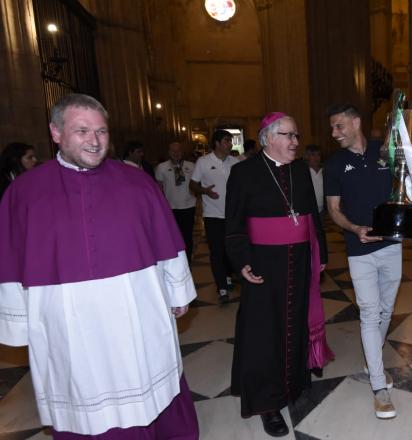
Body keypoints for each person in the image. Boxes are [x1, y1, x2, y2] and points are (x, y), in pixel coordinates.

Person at [0, 93, 198, 438]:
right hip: (66, 320)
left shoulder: (138, 183)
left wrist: (177, 291)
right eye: (82, 131)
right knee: (80, 384)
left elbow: (167, 243)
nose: (94, 141)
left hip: (135, 310)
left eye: (101, 131)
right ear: (56, 133)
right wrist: (18, 322)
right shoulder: (24, 193)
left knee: (142, 380)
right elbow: (10, 260)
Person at [324, 103, 412, 420]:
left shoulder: (385, 150)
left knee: (386, 310)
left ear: (356, 122)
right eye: (332, 127)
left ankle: (371, 358)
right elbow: (333, 210)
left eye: (339, 126)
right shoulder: (335, 165)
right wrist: (355, 228)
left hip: (392, 245)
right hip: (359, 249)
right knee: (370, 313)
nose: (334, 133)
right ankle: (378, 386)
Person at [225, 112, 329, 437]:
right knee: (264, 332)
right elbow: (233, 227)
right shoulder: (243, 173)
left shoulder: (300, 170)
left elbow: (312, 215)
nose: (296, 142)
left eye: (296, 136)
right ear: (269, 137)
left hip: (298, 263)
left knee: (294, 323)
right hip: (263, 266)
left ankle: (294, 385)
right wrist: (243, 261)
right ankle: (267, 404)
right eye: (289, 136)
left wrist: (321, 255)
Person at [190, 129, 239, 303]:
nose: (230, 144)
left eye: (230, 141)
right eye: (227, 141)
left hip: (233, 215)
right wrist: (204, 191)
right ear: (217, 143)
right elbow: (193, 184)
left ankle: (228, 276)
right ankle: (222, 289)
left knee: (232, 250)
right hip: (212, 216)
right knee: (217, 252)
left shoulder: (235, 162)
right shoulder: (203, 162)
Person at [156, 141, 197, 261]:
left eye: (178, 151)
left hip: (189, 206)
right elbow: (159, 187)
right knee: (173, 236)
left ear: (182, 152)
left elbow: (196, 183)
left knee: (187, 236)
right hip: (170, 207)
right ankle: (176, 259)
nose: (176, 153)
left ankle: (187, 259)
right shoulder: (162, 167)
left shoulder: (191, 166)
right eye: (173, 151)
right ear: (169, 152)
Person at [304, 144, 324, 213]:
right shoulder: (303, 172)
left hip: (322, 210)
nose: (316, 158)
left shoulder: (325, 172)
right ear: (307, 156)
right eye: (313, 155)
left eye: (318, 155)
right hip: (308, 210)